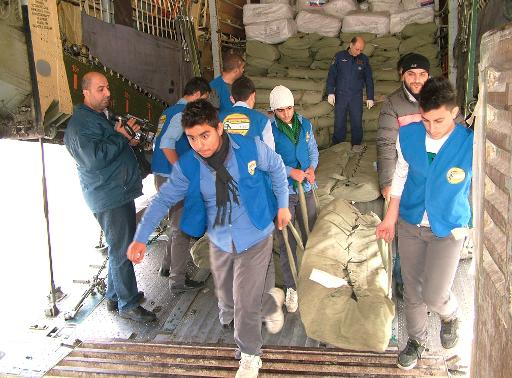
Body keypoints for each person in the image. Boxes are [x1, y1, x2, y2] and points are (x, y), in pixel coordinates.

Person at [127, 99, 292, 378]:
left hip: (255, 233)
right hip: (220, 238)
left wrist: (284, 204)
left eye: (205, 135)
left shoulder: (249, 147)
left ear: (219, 128)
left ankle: (250, 355)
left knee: (244, 301)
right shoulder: (190, 165)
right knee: (228, 299)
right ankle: (266, 304)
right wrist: (141, 237)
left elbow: (276, 167)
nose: (200, 145)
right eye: (191, 138)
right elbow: (163, 199)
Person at [376, 77, 473, 370]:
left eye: (439, 120)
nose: (432, 127)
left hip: (449, 226)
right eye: (426, 120)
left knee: (434, 293)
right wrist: (390, 217)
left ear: (454, 112)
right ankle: (416, 340)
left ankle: (450, 314)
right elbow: (401, 176)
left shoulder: (469, 143)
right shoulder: (408, 135)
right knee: (412, 290)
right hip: (411, 221)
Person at [64, 72, 156, 323]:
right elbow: (94, 160)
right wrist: (121, 137)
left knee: (119, 245)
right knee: (122, 249)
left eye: (107, 89)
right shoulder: (80, 126)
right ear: (85, 92)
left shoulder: (97, 119)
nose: (107, 94)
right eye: (100, 89)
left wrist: (129, 141)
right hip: (109, 195)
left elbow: (111, 147)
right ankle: (128, 304)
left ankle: (114, 296)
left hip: (116, 191)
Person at [376, 53, 431, 299]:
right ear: (402, 75)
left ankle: (430, 283)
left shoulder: (439, 98)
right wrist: (388, 182)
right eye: (411, 74)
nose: (417, 79)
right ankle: (402, 281)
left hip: (433, 180)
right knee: (406, 231)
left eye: (422, 74)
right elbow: (386, 144)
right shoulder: (393, 105)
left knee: (434, 230)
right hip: (406, 180)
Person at [151, 77, 210, 294]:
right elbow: (167, 143)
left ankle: (167, 267)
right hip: (172, 177)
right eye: (202, 100)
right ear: (196, 94)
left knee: (176, 224)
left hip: (162, 174)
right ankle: (177, 281)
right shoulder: (181, 114)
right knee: (183, 229)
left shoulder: (168, 111)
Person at [269, 85, 319, 313]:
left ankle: (312, 281)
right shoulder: (269, 131)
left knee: (312, 235)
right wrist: (290, 171)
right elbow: (270, 161)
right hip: (284, 193)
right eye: (281, 110)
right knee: (287, 241)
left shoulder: (305, 124)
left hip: (306, 187)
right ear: (273, 111)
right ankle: (292, 288)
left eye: (289, 108)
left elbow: (313, 150)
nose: (286, 114)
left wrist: (311, 167)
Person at [326, 36, 374, 151]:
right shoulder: (339, 56)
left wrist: (370, 97)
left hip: (356, 96)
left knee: (357, 122)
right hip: (341, 95)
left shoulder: (364, 59)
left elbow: (369, 79)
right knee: (339, 122)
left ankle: (356, 146)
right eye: (357, 49)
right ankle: (338, 146)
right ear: (351, 45)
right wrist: (330, 92)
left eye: (361, 50)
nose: (359, 52)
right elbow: (332, 75)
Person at [219, 76, 275, 150]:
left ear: (232, 98)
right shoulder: (262, 120)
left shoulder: (218, 118)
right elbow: (270, 153)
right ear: (253, 96)